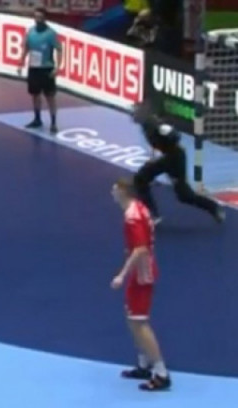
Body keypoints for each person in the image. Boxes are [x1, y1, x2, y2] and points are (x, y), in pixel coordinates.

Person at [110, 178, 171, 391]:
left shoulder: (132, 217)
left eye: (114, 189)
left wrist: (121, 275)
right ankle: (144, 363)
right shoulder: (140, 208)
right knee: (133, 318)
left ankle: (161, 373)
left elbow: (140, 248)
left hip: (141, 273)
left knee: (139, 322)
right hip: (142, 270)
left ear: (123, 191)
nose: (112, 193)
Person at [132, 103, 225, 224]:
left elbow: (175, 136)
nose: (133, 115)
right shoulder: (145, 126)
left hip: (175, 158)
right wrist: (154, 158)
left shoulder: (155, 124)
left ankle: (214, 207)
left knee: (184, 195)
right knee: (140, 179)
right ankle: (153, 214)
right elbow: (156, 144)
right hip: (165, 158)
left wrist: (168, 133)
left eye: (135, 113)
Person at [17, 7, 62, 133]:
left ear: (45, 18)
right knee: (35, 95)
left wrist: (58, 67)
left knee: (50, 96)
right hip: (33, 68)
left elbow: (59, 49)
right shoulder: (30, 32)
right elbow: (26, 48)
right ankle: (37, 119)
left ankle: (53, 123)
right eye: (36, 17)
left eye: (40, 18)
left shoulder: (51, 34)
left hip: (46, 69)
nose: (38, 20)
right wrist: (21, 61)